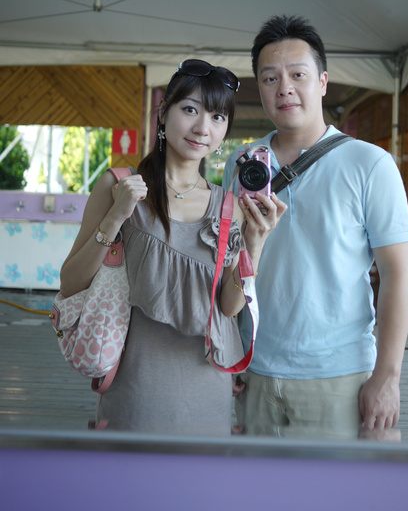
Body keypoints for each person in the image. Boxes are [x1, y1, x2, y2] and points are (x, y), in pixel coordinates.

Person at [59, 59, 287, 435]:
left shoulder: (228, 206)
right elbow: (70, 282)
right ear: (163, 114)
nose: (202, 128)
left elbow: (228, 307)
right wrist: (115, 217)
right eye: (190, 110)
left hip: (206, 392)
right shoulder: (118, 185)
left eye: (217, 117)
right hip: (133, 393)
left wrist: (255, 242)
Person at [223, 15, 408, 441]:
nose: (284, 88)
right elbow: (229, 265)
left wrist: (387, 376)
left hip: (339, 376)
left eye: (298, 74)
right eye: (270, 78)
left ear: (323, 82)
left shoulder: (370, 163)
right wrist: (230, 350)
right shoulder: (243, 164)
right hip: (254, 371)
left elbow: (398, 273)